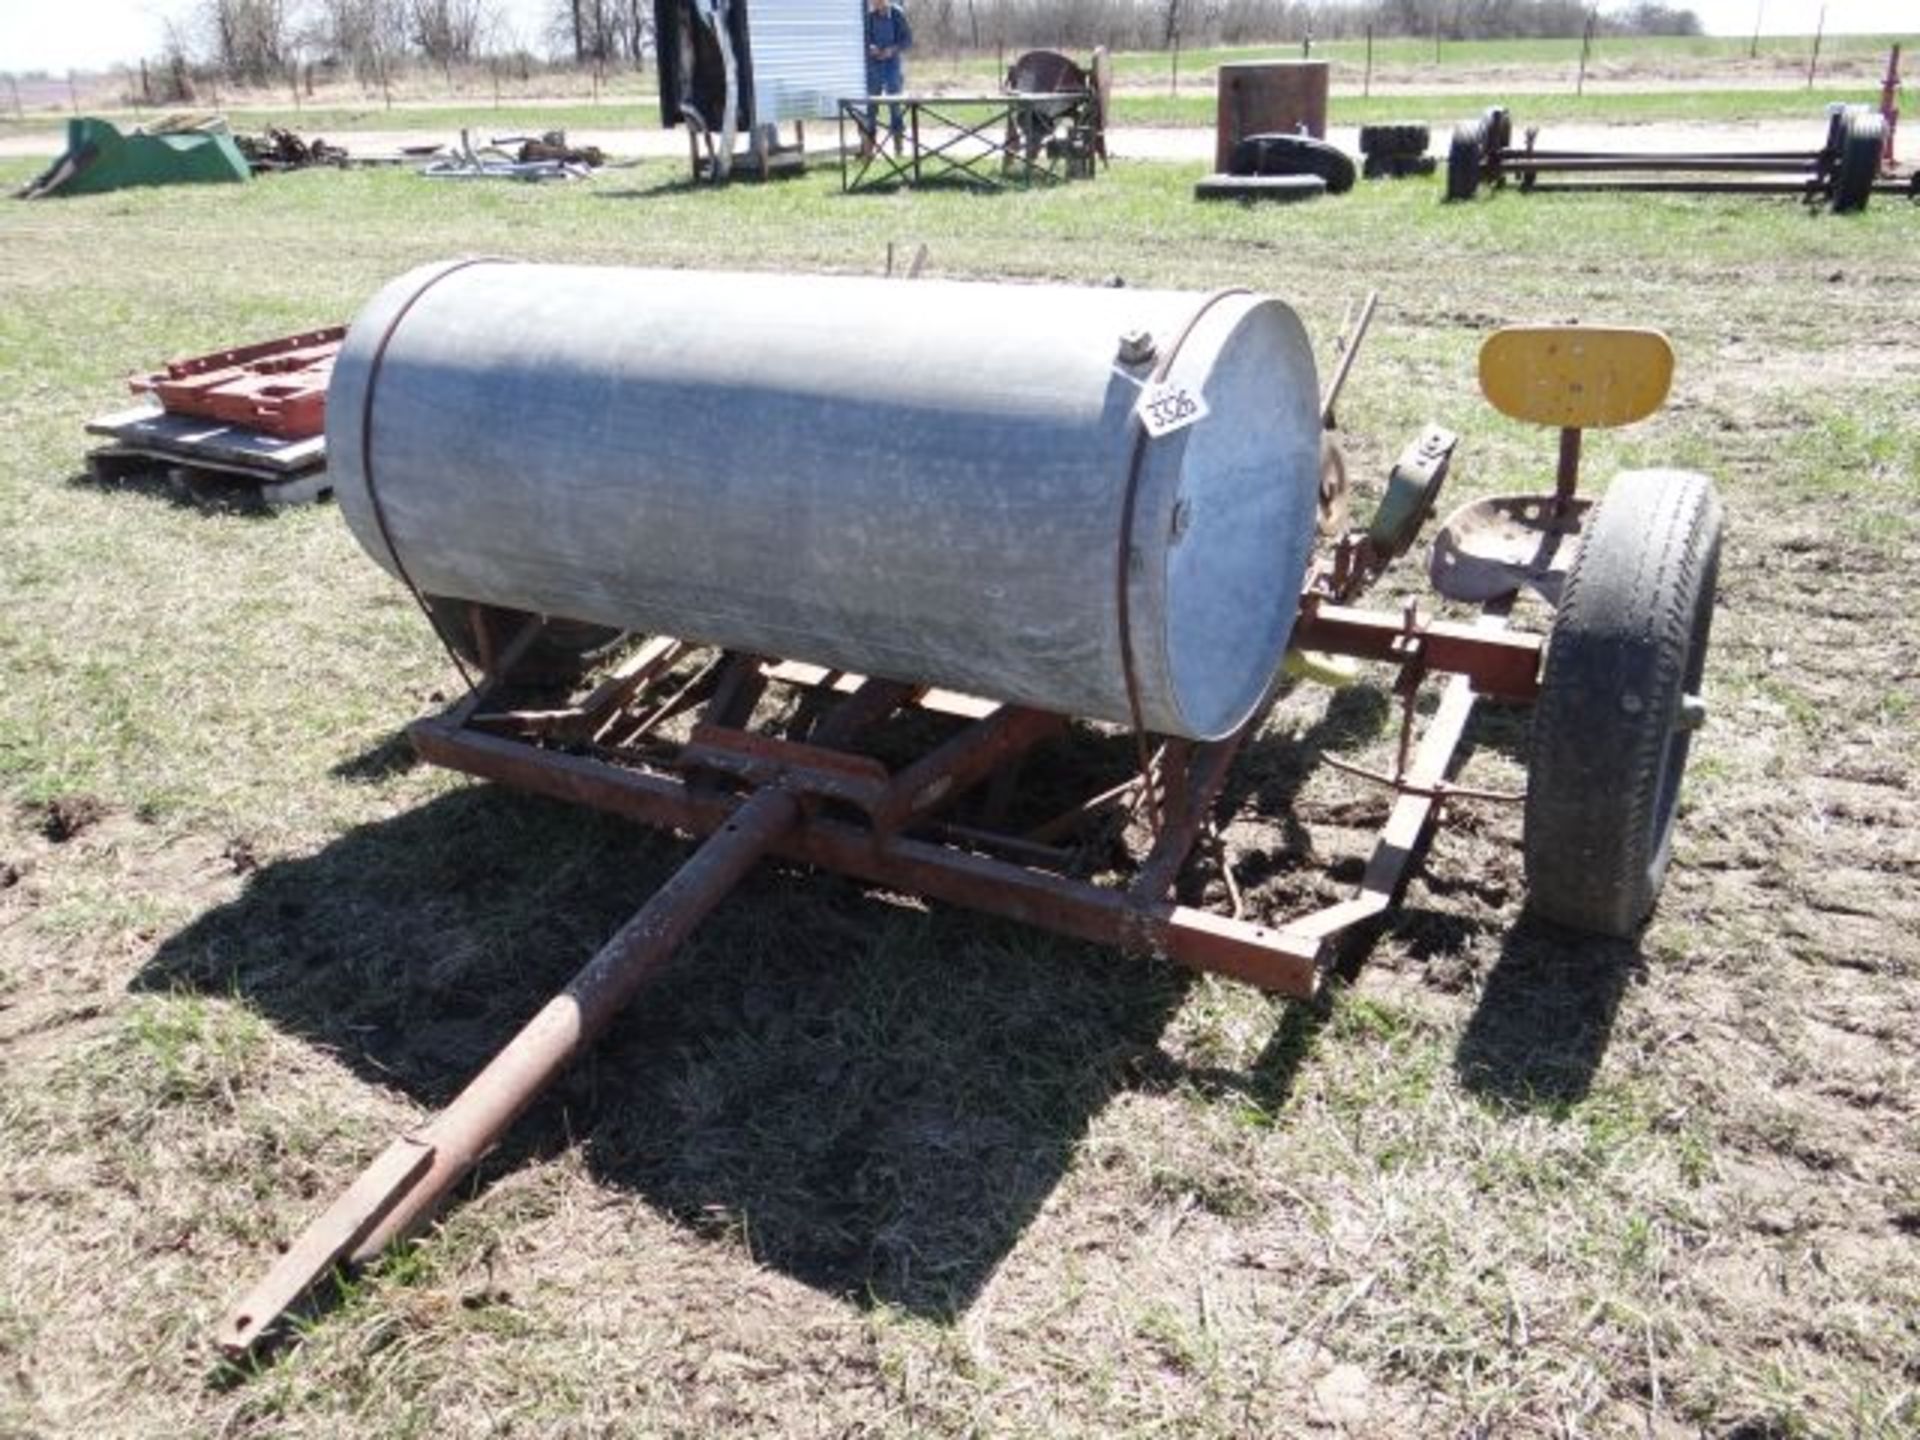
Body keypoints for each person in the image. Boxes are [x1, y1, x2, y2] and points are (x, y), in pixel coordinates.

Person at [863, 0, 913, 156]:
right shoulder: (869, 17)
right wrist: (870, 47)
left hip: (892, 66)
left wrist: (892, 49)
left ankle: (898, 150)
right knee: (870, 108)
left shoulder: (897, 14)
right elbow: (864, 39)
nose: (875, 4)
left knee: (895, 107)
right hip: (874, 67)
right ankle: (868, 150)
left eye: (878, 2)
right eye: (873, 2)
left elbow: (907, 40)